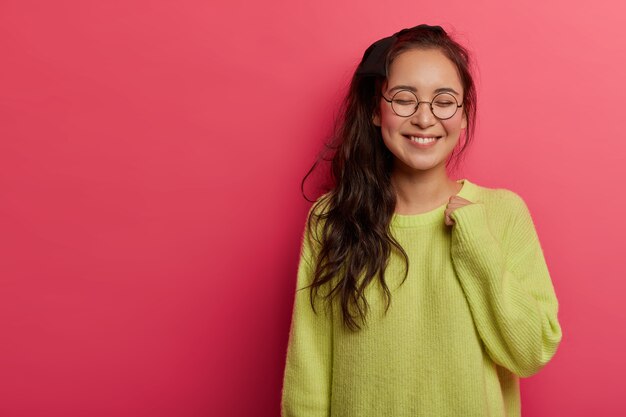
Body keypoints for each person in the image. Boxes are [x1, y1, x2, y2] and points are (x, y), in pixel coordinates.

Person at [280, 24, 562, 417]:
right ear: (377, 112)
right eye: (404, 99)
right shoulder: (331, 219)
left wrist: (477, 244)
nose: (425, 118)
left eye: (444, 101)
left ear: (463, 116)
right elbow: (308, 372)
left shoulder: (501, 214)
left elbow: (531, 351)